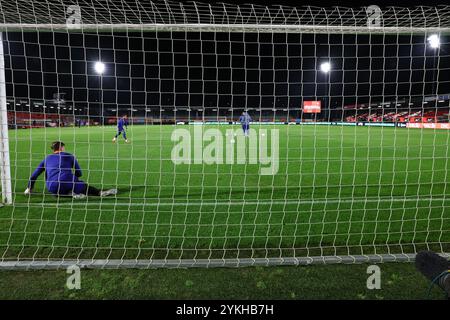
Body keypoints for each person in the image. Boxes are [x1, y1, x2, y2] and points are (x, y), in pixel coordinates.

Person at [24, 141, 117, 199]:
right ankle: (99, 192)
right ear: (61, 147)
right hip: (69, 181)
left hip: (53, 187)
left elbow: (34, 175)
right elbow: (79, 173)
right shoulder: (69, 155)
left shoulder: (46, 159)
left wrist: (29, 188)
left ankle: (69, 193)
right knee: (84, 186)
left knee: (56, 187)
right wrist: (74, 179)